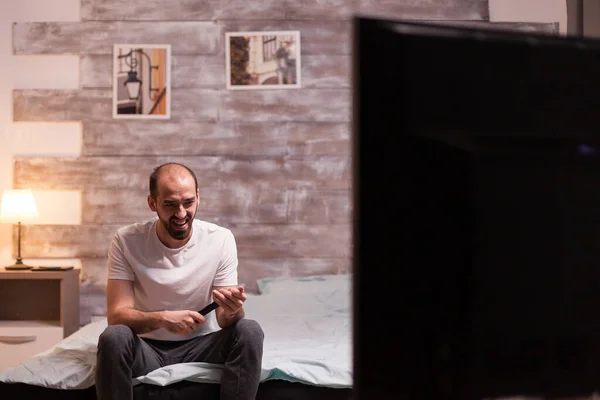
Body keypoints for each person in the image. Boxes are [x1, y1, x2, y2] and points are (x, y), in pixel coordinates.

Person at [95, 162, 264, 400]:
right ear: (152, 203)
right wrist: (163, 319)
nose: (181, 213)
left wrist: (233, 309)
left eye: (188, 202)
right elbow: (117, 316)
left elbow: (226, 321)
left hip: (201, 345)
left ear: (198, 197)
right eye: (170, 205)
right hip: (146, 349)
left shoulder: (221, 239)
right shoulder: (126, 240)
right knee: (113, 337)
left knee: (250, 329)